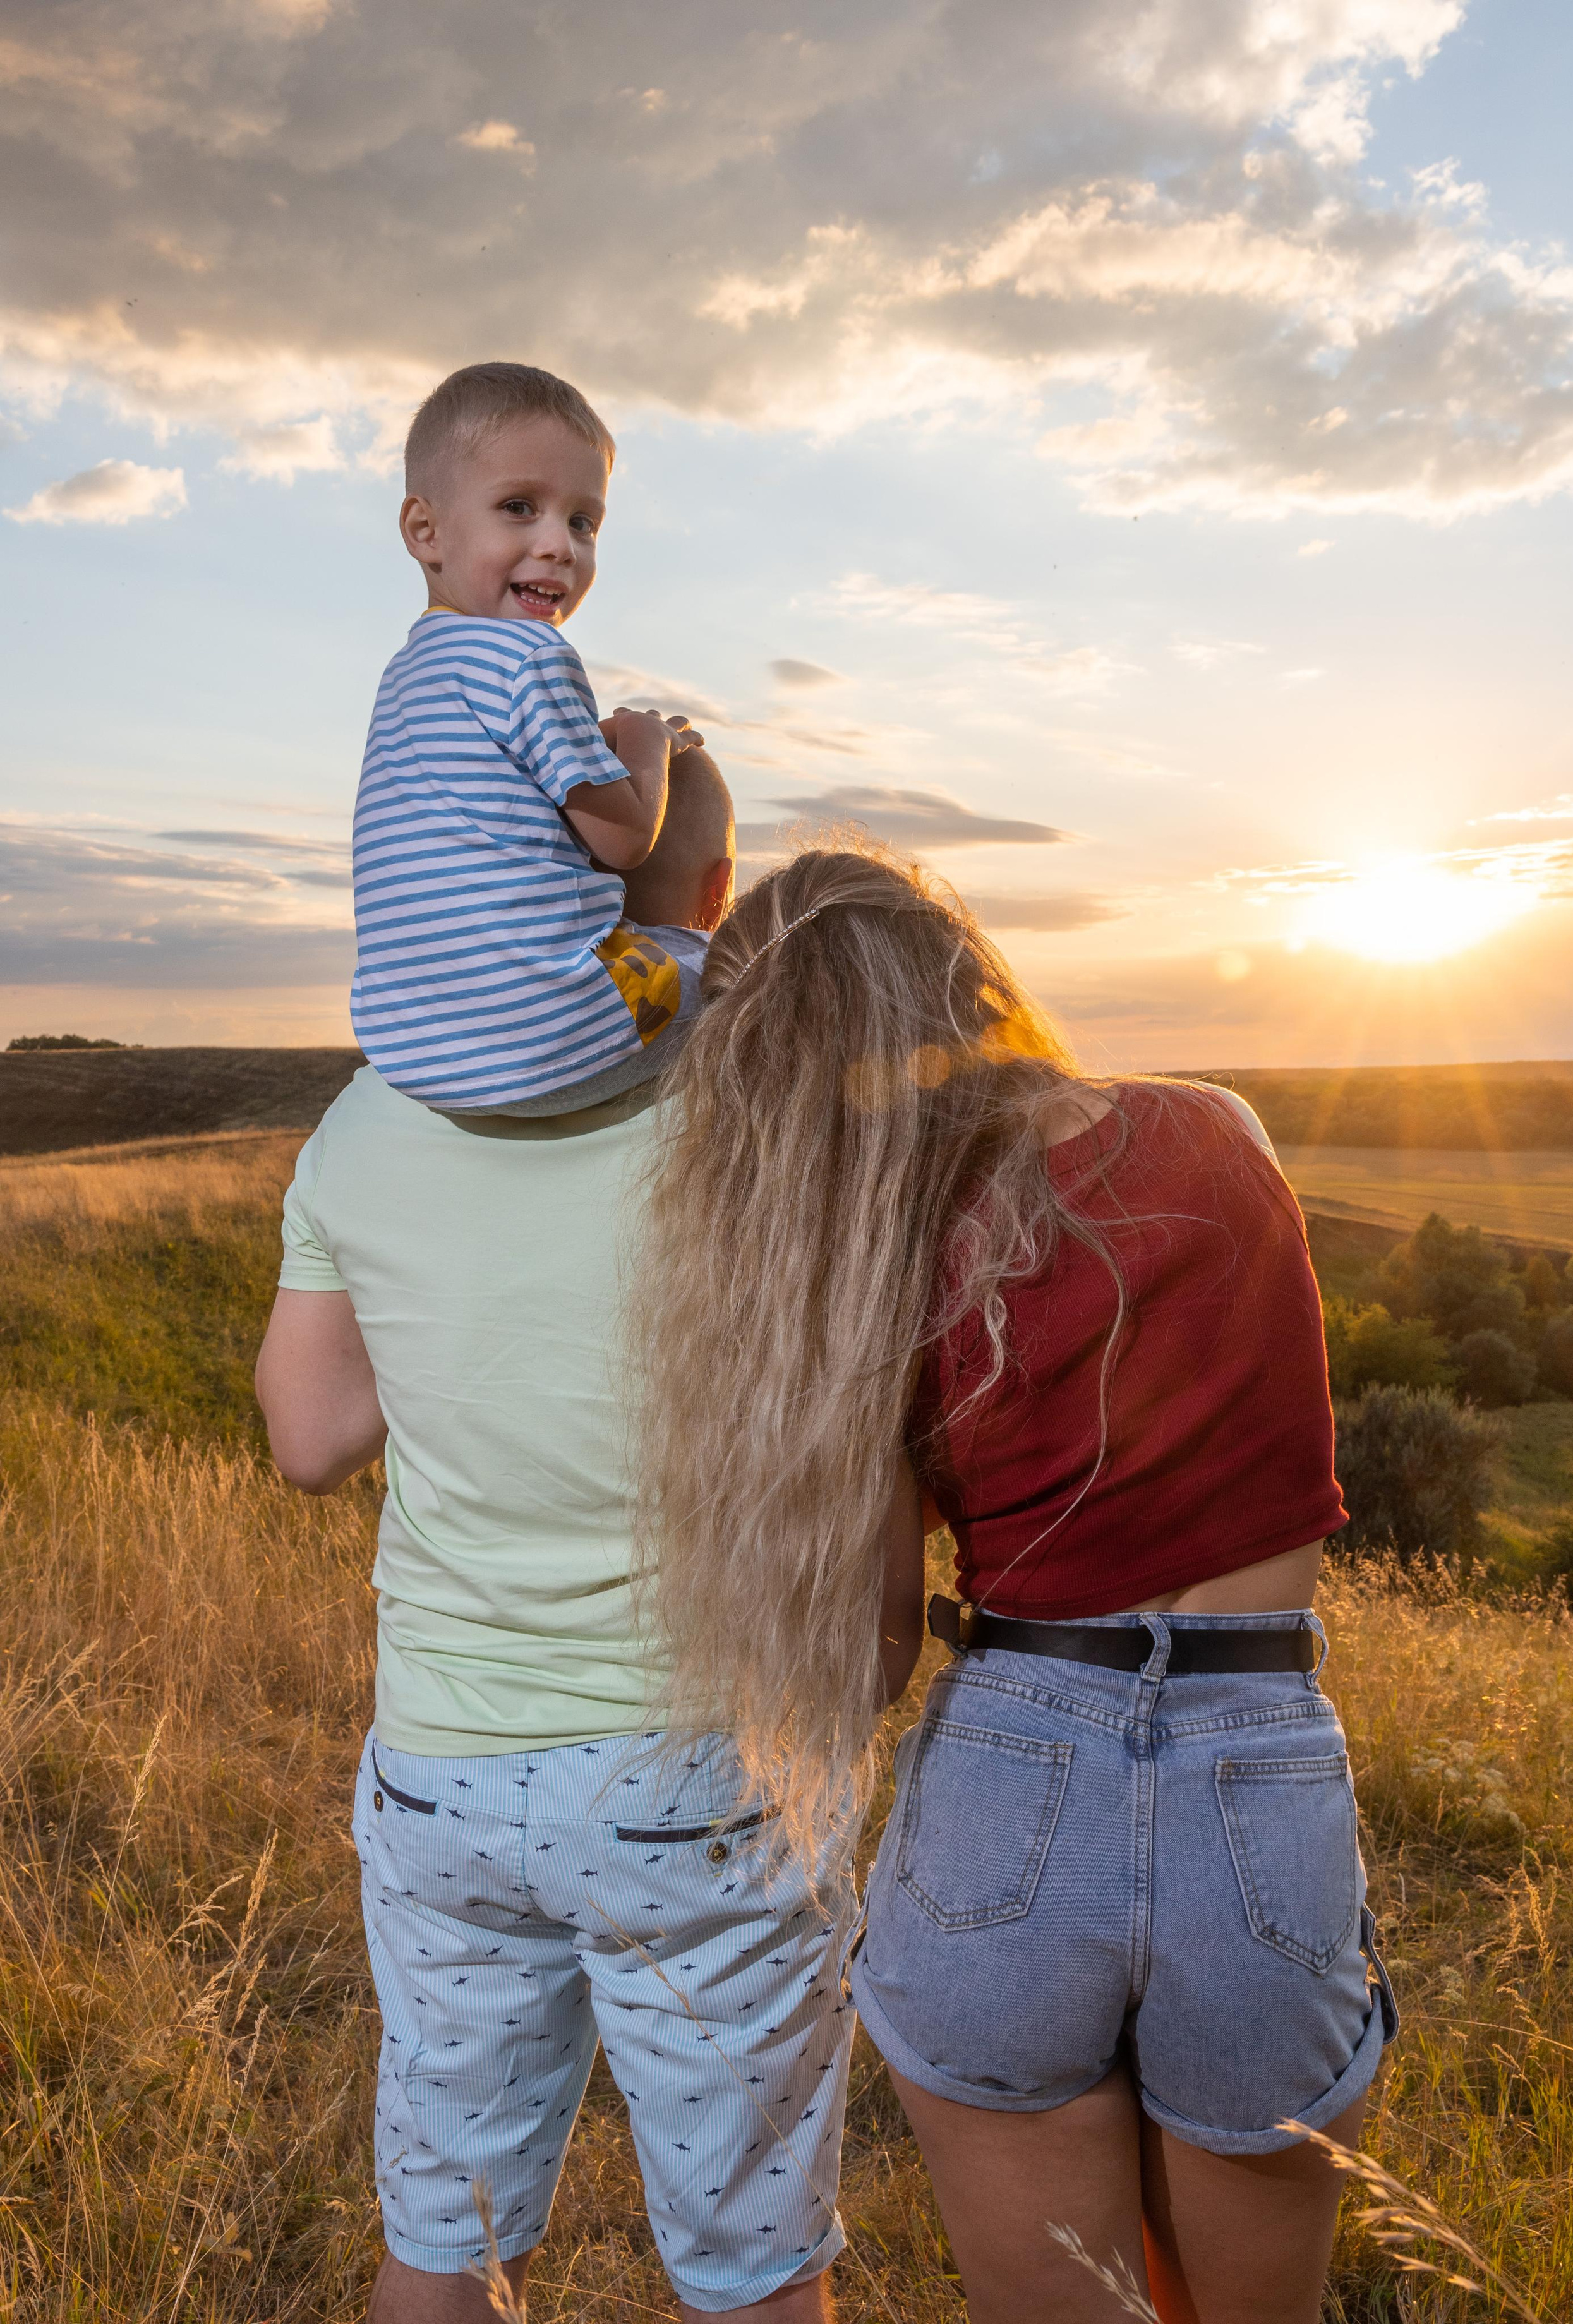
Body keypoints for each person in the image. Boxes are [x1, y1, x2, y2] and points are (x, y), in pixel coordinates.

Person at [630, 845, 1398, 2324]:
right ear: (971, 979)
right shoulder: (1221, 1131)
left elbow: (861, 1658)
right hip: (1259, 1763)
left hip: (1006, 1770)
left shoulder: (864, 1274)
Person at [256, 757, 860, 2324]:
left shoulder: (365, 1113)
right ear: (710, 898)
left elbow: (308, 1435)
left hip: (442, 1760)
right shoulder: (750, 1099)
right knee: (749, 2267)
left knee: (441, 2238)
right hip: (695, 1763)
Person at [351, 359, 709, 1116]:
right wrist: (645, 738)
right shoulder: (532, 657)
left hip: (418, 1053)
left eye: (583, 521)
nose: (559, 546)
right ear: (425, 529)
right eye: (520, 507)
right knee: (733, 970)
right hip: (555, 1033)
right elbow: (624, 842)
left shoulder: (406, 675)